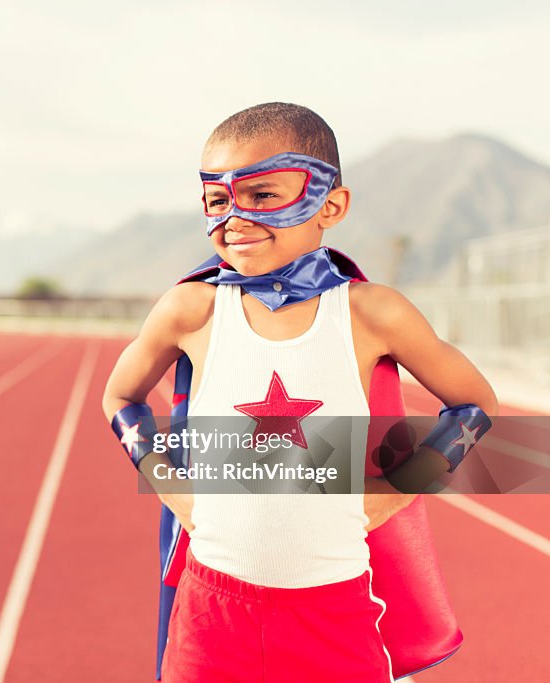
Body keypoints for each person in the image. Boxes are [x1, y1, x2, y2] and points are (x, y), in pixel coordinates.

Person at [102, 102, 498, 682]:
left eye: (262, 195)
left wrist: (393, 492)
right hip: (211, 614)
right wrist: (174, 489)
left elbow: (474, 403)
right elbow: (120, 396)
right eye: (217, 199)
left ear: (330, 204)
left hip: (334, 612)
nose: (234, 217)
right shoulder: (192, 308)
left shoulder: (372, 313)